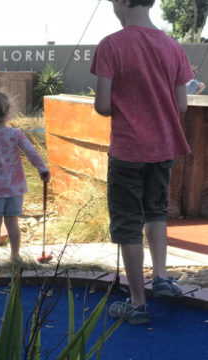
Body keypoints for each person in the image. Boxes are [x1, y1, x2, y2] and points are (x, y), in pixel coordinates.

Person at [91, 0, 192, 324]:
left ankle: (137, 303)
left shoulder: (111, 45)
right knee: (156, 210)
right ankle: (161, 276)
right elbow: (182, 105)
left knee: (127, 221)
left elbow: (103, 106)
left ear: (122, 3)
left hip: (127, 150)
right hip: (163, 147)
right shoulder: (173, 46)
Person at [0, 90, 50, 266]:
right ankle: (15, 256)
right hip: (15, 189)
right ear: (8, 113)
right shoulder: (15, 134)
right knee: (12, 222)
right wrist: (42, 169)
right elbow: (31, 152)